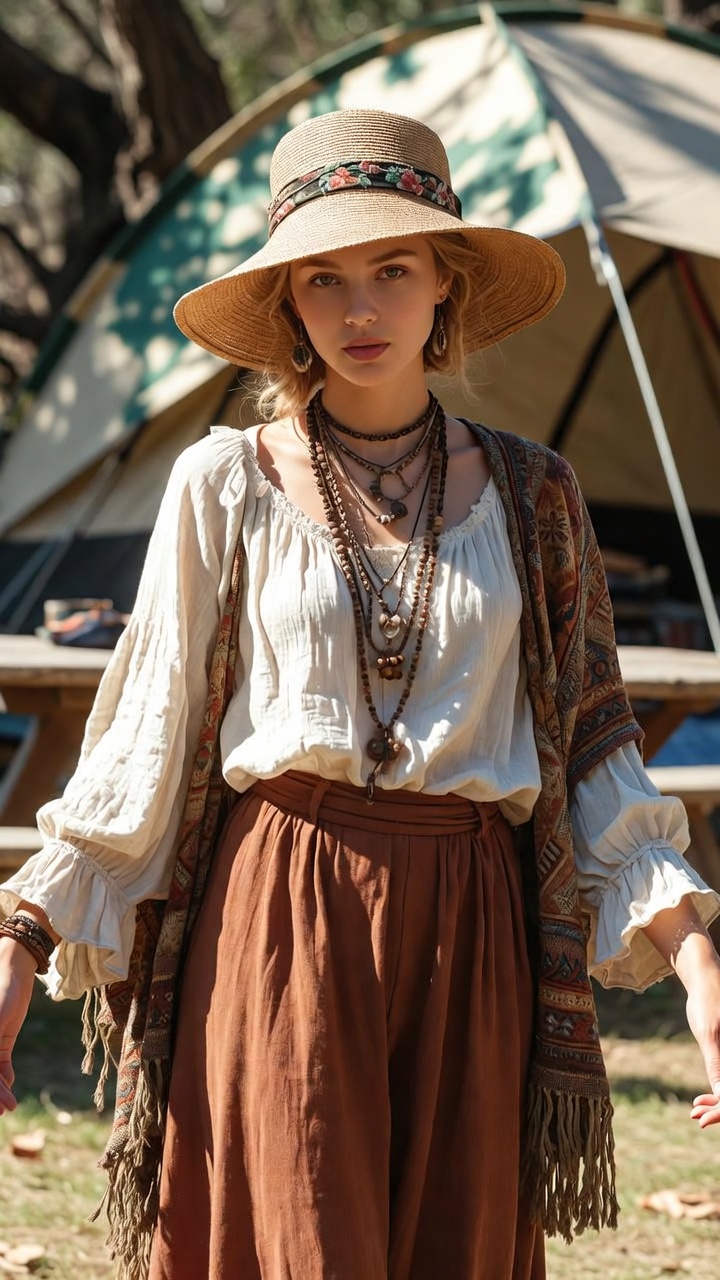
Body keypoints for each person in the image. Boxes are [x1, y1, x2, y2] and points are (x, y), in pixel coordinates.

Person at [1, 108, 720, 1280]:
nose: (360, 307)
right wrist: (19, 945)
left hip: (471, 925)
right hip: (279, 917)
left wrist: (699, 970)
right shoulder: (221, 484)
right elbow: (142, 738)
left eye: (393, 268)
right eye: (323, 278)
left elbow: (597, 750)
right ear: (288, 302)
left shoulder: (537, 496)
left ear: (447, 283)